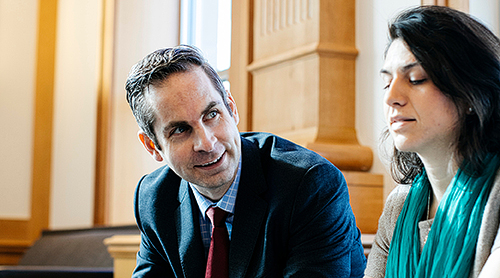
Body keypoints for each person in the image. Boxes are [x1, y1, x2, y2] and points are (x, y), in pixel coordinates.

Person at [125, 45, 366, 277]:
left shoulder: (309, 185)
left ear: (231, 107)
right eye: (180, 130)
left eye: (212, 115)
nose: (207, 144)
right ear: (152, 146)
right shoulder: (154, 197)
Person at [365, 5, 500, 278]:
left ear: (469, 95)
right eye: (386, 81)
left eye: (416, 79)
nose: (392, 97)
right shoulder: (399, 206)